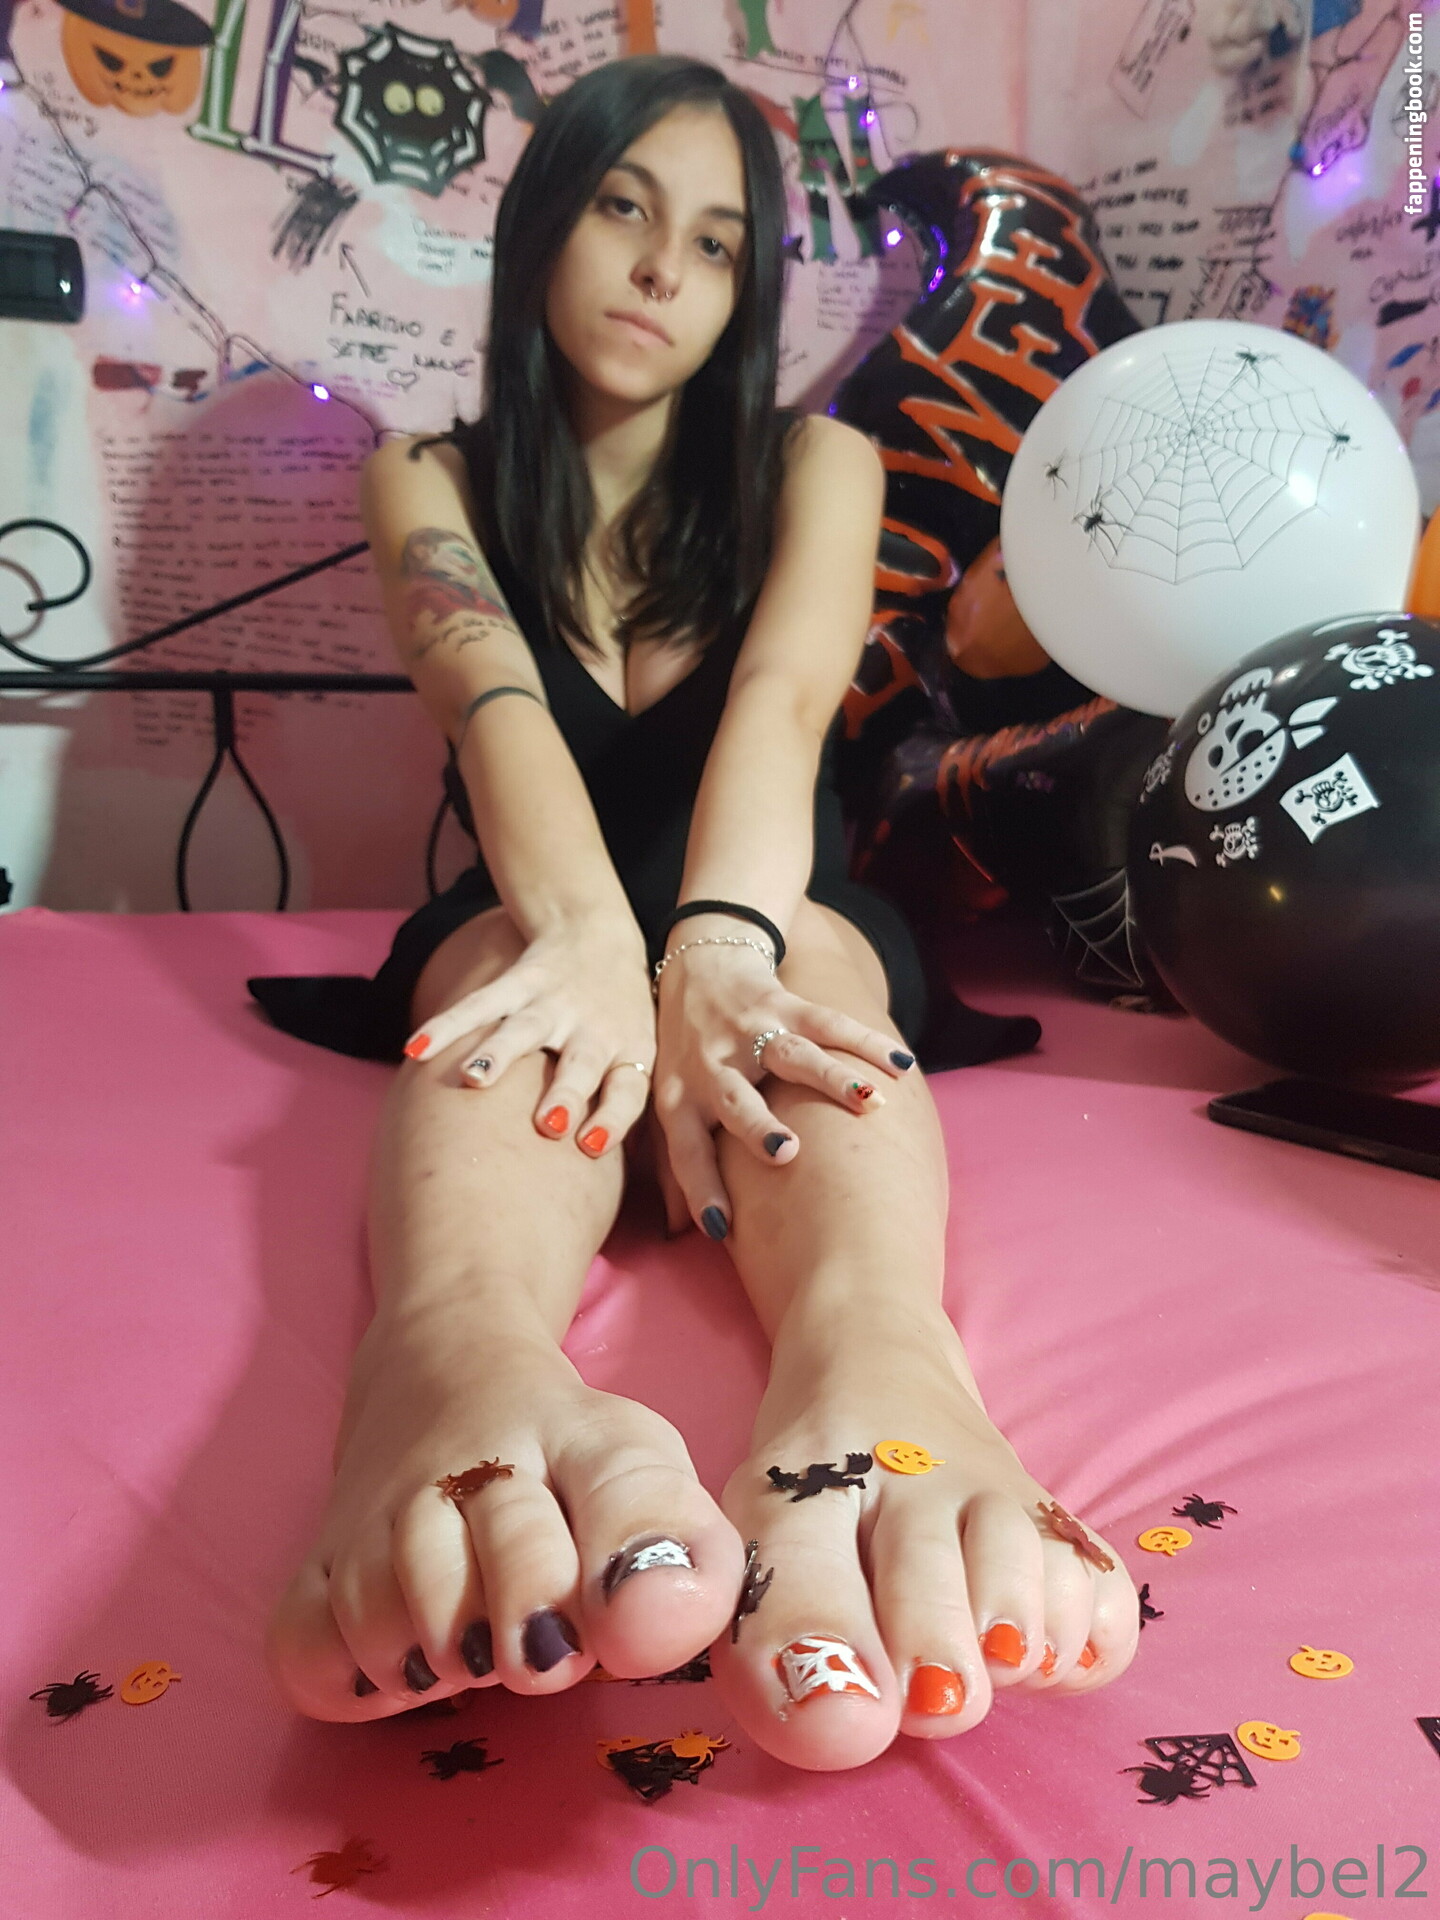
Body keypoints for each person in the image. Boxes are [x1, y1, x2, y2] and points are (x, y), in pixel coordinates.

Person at [257, 53, 1138, 1773]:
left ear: (749, 285)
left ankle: (880, 1367)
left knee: (811, 975)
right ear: (544, 226)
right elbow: (492, 708)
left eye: (720, 242)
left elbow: (787, 710)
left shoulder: (817, 462)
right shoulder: (428, 475)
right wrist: (594, 944)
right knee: (511, 979)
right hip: (542, 898)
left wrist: (713, 949)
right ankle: (445, 1365)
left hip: (772, 888)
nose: (666, 269)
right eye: (624, 209)